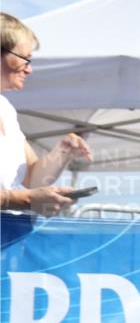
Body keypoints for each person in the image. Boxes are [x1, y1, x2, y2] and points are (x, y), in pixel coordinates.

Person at [1, 12, 92, 215]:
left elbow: (32, 178)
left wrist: (62, 152)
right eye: (25, 59)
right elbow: (28, 192)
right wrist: (22, 199)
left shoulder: (5, 109)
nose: (29, 70)